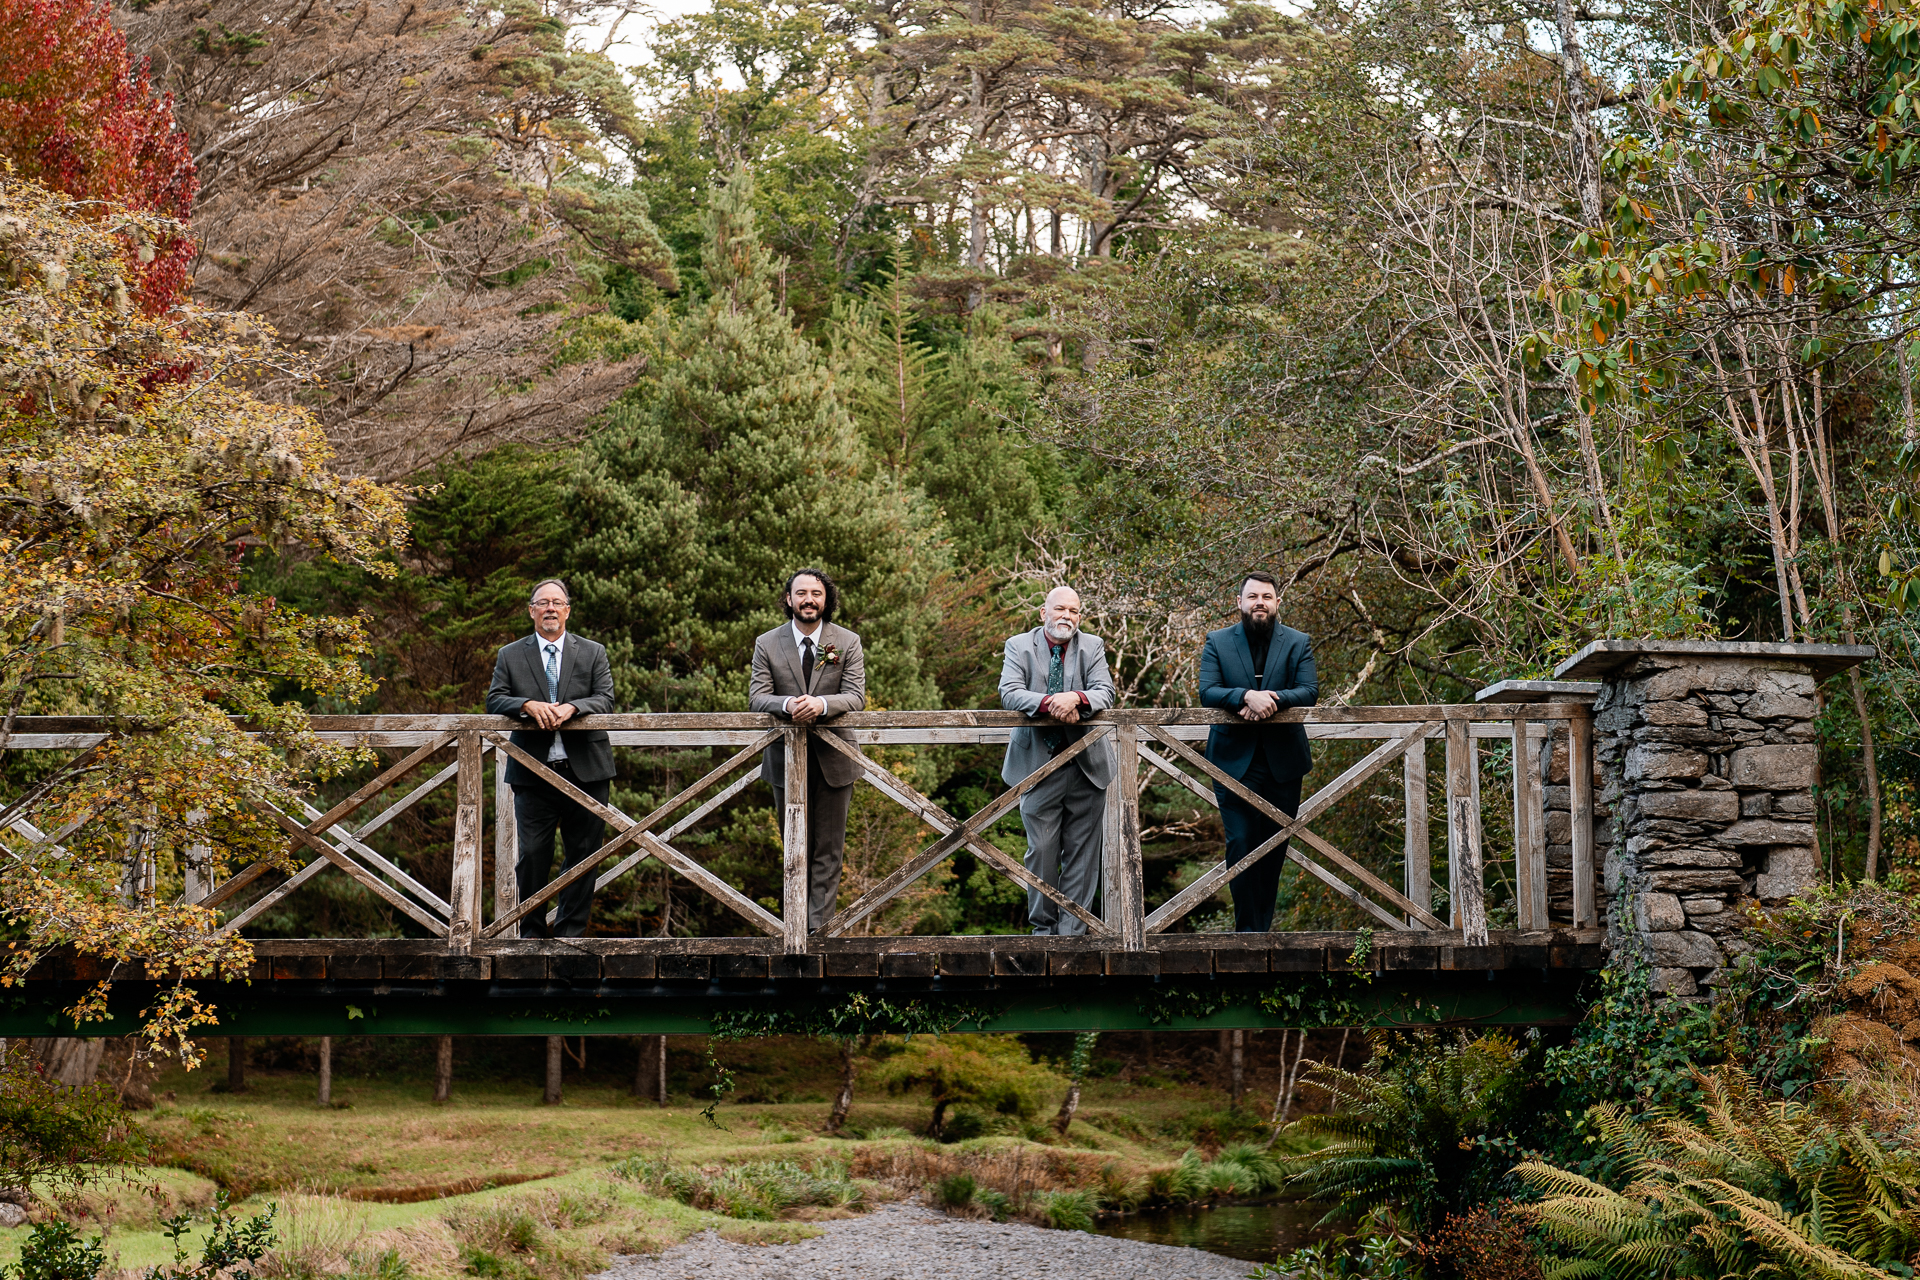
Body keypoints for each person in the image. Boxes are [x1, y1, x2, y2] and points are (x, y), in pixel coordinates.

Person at [485, 578, 617, 938]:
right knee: (532, 855)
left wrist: (574, 707)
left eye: (557, 603)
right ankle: (530, 934)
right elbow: (495, 699)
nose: (550, 609)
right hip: (532, 769)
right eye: (543, 603)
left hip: (588, 769)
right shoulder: (510, 654)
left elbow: (605, 698)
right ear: (532, 611)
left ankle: (569, 934)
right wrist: (526, 705)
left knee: (584, 854)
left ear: (567, 610)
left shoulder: (593, 652)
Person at [1198, 571, 1319, 932]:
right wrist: (1244, 697)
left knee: (1274, 847)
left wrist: (1272, 700)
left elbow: (1309, 691)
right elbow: (1208, 691)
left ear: (1277, 602)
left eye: (1266, 597)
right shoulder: (1217, 641)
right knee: (1240, 842)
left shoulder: (1298, 642)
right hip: (1232, 763)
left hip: (1284, 763)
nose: (1259, 603)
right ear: (1240, 602)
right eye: (1252, 597)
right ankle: (1246, 932)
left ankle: (1261, 931)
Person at [747, 568, 868, 932]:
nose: (809, 599)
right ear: (789, 599)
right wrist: (788, 706)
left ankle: (818, 930)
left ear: (826, 599)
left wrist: (821, 704)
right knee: (794, 845)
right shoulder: (767, 643)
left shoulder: (847, 641)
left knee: (829, 850)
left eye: (816, 593)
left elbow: (856, 696)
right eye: (801, 593)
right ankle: (794, 927)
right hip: (785, 759)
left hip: (836, 759)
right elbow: (757, 697)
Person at [998, 586, 1117, 935]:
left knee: (1082, 855)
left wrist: (1076, 698)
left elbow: (1104, 692)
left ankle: (1073, 933)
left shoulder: (1092, 646)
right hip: (1037, 765)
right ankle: (1044, 931)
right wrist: (1053, 704)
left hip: (1088, 765)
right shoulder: (1018, 646)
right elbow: (1010, 692)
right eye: (1060, 609)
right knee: (1042, 851)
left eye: (1074, 611)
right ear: (1043, 613)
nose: (1067, 616)